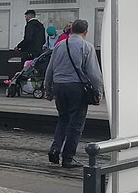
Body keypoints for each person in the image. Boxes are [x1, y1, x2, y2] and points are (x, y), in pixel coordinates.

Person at [44, 19, 103, 168]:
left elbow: (50, 70)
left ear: (71, 30)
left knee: (63, 119)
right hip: (76, 88)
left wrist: (48, 89)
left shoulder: (59, 46)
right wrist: (98, 92)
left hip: (59, 86)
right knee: (76, 124)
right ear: (86, 31)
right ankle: (67, 158)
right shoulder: (86, 47)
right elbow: (94, 74)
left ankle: (55, 148)